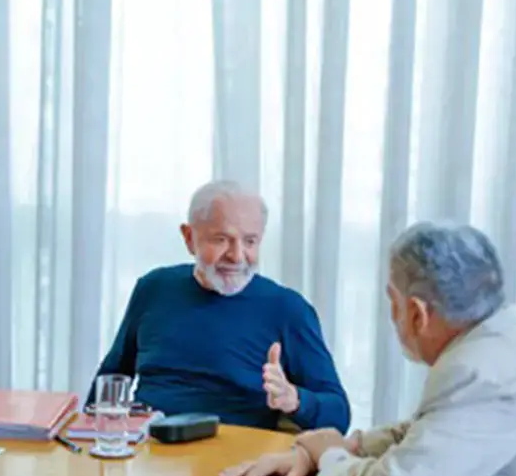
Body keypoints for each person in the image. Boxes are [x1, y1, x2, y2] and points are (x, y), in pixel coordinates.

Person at [218, 221, 516, 476]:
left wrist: (327, 456)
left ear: (416, 313)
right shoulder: (500, 338)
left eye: (392, 303)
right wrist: (344, 447)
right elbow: (422, 431)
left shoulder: (482, 373)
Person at [85, 180, 350, 432]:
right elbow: (111, 378)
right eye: (221, 239)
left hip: (234, 461)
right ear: (189, 238)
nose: (236, 256)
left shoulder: (288, 309)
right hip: (148, 450)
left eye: (250, 241)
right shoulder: (152, 288)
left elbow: (339, 414)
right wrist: (87, 438)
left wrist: (294, 399)